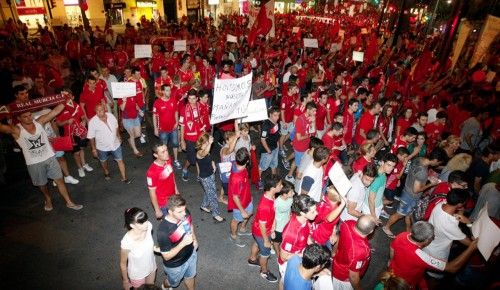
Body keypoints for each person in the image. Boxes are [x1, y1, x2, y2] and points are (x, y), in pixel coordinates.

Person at [0, 104, 83, 211]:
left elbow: (55, 111)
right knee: (42, 185)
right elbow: (2, 127)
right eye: (25, 116)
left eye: (30, 115)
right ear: (19, 118)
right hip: (34, 163)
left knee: (60, 180)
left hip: (50, 157)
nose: (29, 118)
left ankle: (69, 202)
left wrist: (64, 99)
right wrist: (2, 113)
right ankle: (48, 198)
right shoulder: (16, 130)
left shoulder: (39, 122)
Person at [388, 221, 478, 288]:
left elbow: (392, 252)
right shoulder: (420, 256)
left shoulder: (403, 235)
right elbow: (452, 268)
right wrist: (471, 248)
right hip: (405, 282)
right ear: (426, 241)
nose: (433, 238)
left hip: (392, 271)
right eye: (432, 237)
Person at [424, 189, 473, 284]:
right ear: (459, 204)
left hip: (428, 246)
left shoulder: (440, 205)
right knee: (435, 278)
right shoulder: (450, 225)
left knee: (426, 272)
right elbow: (470, 244)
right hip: (437, 254)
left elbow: (452, 220)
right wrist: (469, 223)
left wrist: (460, 212)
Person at [383, 157, 439, 237]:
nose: (437, 165)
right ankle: (386, 227)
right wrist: (430, 184)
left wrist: (427, 178)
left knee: (408, 215)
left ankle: (408, 231)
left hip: (407, 191)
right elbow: (416, 190)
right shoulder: (422, 171)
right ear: (436, 160)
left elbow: (415, 175)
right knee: (399, 214)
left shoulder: (419, 160)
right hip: (410, 197)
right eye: (438, 163)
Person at [157, 195, 198, 290]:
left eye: (184, 209)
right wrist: (183, 243)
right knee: (173, 283)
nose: (184, 213)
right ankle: (165, 285)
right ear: (170, 212)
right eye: (180, 212)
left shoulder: (185, 213)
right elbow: (166, 256)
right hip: (176, 265)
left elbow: (190, 224)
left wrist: (194, 239)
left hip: (191, 254)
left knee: (190, 277)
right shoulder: (163, 231)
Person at [248, 174, 282, 283]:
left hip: (260, 230)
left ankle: (252, 259)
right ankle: (264, 271)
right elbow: (262, 225)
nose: (282, 186)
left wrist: (272, 228)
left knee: (257, 244)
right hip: (262, 232)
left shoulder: (270, 195)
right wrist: (267, 240)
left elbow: (270, 217)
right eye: (280, 185)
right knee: (265, 254)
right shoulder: (265, 205)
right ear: (273, 188)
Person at [278, 195, 318, 288]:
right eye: (312, 211)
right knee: (286, 282)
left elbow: (306, 235)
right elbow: (284, 257)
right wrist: (303, 254)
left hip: (299, 254)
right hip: (288, 263)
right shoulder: (291, 234)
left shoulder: (305, 219)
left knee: (283, 281)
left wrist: (313, 247)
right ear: (302, 213)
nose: (316, 213)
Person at [87, 104, 132, 183]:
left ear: (105, 109)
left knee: (120, 160)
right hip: (102, 147)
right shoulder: (92, 122)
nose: (99, 112)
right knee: (103, 161)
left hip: (115, 144)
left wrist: (119, 136)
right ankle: (106, 171)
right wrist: (93, 149)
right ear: (95, 111)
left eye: (101, 110)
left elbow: (116, 126)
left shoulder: (111, 116)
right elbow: (91, 137)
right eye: (97, 110)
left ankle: (124, 177)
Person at [332, 215, 377, 290]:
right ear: (371, 231)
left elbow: (339, 237)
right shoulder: (362, 251)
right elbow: (353, 276)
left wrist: (334, 251)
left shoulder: (348, 223)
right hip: (344, 278)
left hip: (337, 263)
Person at [120, 208, 156, 290]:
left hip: (151, 266)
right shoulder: (127, 242)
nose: (146, 224)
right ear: (132, 225)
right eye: (142, 223)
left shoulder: (149, 226)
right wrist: (125, 281)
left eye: (146, 220)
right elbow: (123, 264)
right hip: (137, 274)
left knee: (151, 287)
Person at [195, 133, 224, 222]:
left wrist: (213, 163)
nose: (209, 144)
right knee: (213, 195)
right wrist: (210, 143)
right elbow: (204, 153)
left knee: (209, 191)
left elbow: (209, 156)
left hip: (211, 174)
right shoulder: (199, 152)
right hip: (205, 177)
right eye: (207, 142)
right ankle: (216, 214)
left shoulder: (206, 149)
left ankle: (204, 205)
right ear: (204, 143)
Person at [228, 148, 253, 247]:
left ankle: (242, 229)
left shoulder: (236, 163)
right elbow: (235, 197)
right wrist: (242, 210)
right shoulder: (236, 178)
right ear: (247, 161)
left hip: (247, 198)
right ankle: (233, 235)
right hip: (239, 205)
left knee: (249, 213)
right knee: (236, 220)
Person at [147, 143, 180, 219]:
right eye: (163, 152)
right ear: (156, 155)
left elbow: (172, 175)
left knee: (177, 218)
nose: (167, 153)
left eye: (166, 150)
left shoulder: (168, 160)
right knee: (169, 223)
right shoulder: (152, 172)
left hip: (173, 197)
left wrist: (176, 189)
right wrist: (157, 210)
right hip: (164, 203)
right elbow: (152, 192)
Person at [153, 85, 182, 169]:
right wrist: (155, 128)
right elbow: (154, 116)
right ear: (162, 91)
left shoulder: (173, 100)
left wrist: (176, 122)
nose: (169, 92)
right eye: (167, 90)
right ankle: (165, 162)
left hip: (173, 128)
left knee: (175, 144)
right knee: (163, 147)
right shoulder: (157, 102)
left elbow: (176, 111)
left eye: (169, 90)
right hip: (162, 130)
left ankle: (176, 160)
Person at [364, 153, 397, 223]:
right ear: (382, 162)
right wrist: (374, 216)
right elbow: (371, 200)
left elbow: (380, 191)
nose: (391, 168)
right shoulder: (377, 179)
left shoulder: (383, 173)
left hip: (377, 205)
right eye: (389, 165)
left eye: (393, 166)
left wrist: (381, 204)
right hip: (370, 208)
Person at [272, 180, 295, 256]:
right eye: (291, 192)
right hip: (278, 227)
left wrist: (290, 217)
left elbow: (289, 209)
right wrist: (273, 228)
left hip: (286, 224)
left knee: (283, 239)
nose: (294, 193)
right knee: (276, 242)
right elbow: (272, 215)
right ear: (285, 194)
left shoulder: (290, 199)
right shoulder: (277, 202)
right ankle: (278, 254)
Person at [259, 106, 281, 180]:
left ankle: (274, 179)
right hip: (267, 150)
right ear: (270, 114)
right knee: (263, 166)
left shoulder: (276, 123)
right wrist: (268, 150)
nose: (277, 117)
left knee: (274, 164)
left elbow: (276, 134)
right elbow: (262, 139)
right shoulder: (266, 125)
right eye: (275, 115)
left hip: (275, 147)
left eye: (278, 115)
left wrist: (277, 143)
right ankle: (258, 179)